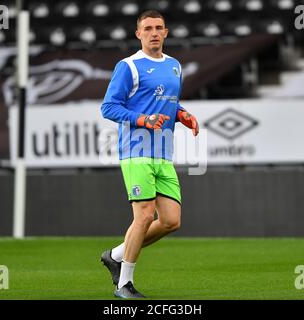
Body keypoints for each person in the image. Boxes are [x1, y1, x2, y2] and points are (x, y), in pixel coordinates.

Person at [100, 10, 199, 299]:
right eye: (148, 28)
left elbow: (170, 102)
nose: (154, 32)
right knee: (143, 216)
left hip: (163, 153)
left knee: (171, 221)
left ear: (166, 33)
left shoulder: (175, 66)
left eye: (158, 28)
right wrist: (143, 120)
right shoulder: (128, 66)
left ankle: (116, 255)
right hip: (136, 152)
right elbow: (108, 107)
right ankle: (124, 285)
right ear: (138, 34)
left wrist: (182, 115)